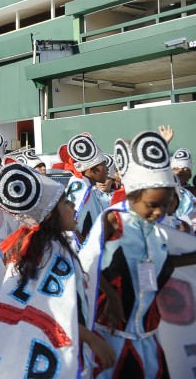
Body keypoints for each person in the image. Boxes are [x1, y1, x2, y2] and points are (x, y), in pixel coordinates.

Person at [0, 162, 116, 377]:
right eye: (66, 203)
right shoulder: (46, 253)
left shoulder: (52, 245)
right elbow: (54, 314)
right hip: (55, 350)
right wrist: (92, 340)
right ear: (50, 216)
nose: (73, 207)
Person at [80, 130, 196, 378]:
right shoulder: (113, 219)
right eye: (152, 206)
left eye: (165, 206)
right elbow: (86, 264)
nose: (158, 212)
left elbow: (164, 263)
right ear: (133, 196)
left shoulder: (159, 227)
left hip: (147, 330)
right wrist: (110, 295)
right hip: (112, 329)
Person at [57, 133, 110, 243]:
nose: (107, 169)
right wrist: (84, 248)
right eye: (104, 165)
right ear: (92, 170)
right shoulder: (79, 186)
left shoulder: (90, 187)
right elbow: (66, 222)